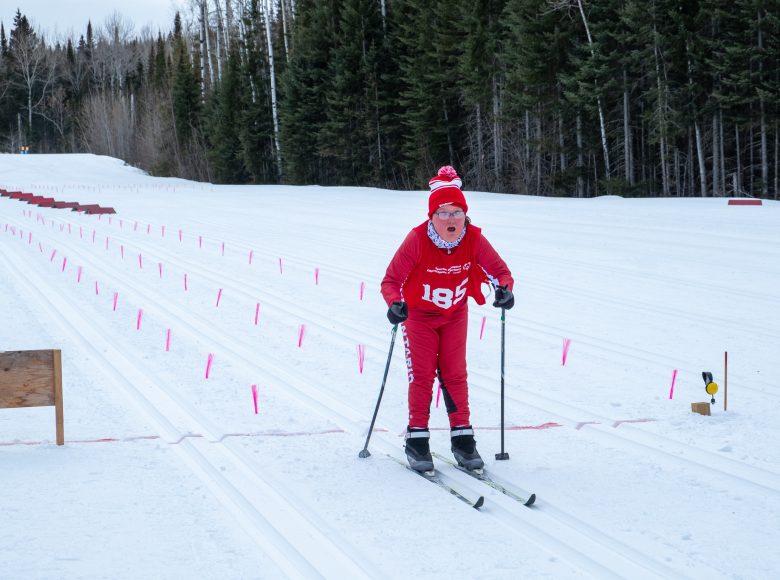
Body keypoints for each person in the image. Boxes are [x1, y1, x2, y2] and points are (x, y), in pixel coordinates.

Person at [381, 165, 514, 472]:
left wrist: (504, 290)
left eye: (457, 212)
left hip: (455, 315)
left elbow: (500, 272)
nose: (451, 219)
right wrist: (395, 304)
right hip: (419, 318)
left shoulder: (474, 239)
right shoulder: (416, 239)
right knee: (423, 375)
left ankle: (463, 440)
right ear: (432, 217)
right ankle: (417, 440)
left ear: (465, 215)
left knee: (455, 374)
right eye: (443, 213)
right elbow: (391, 280)